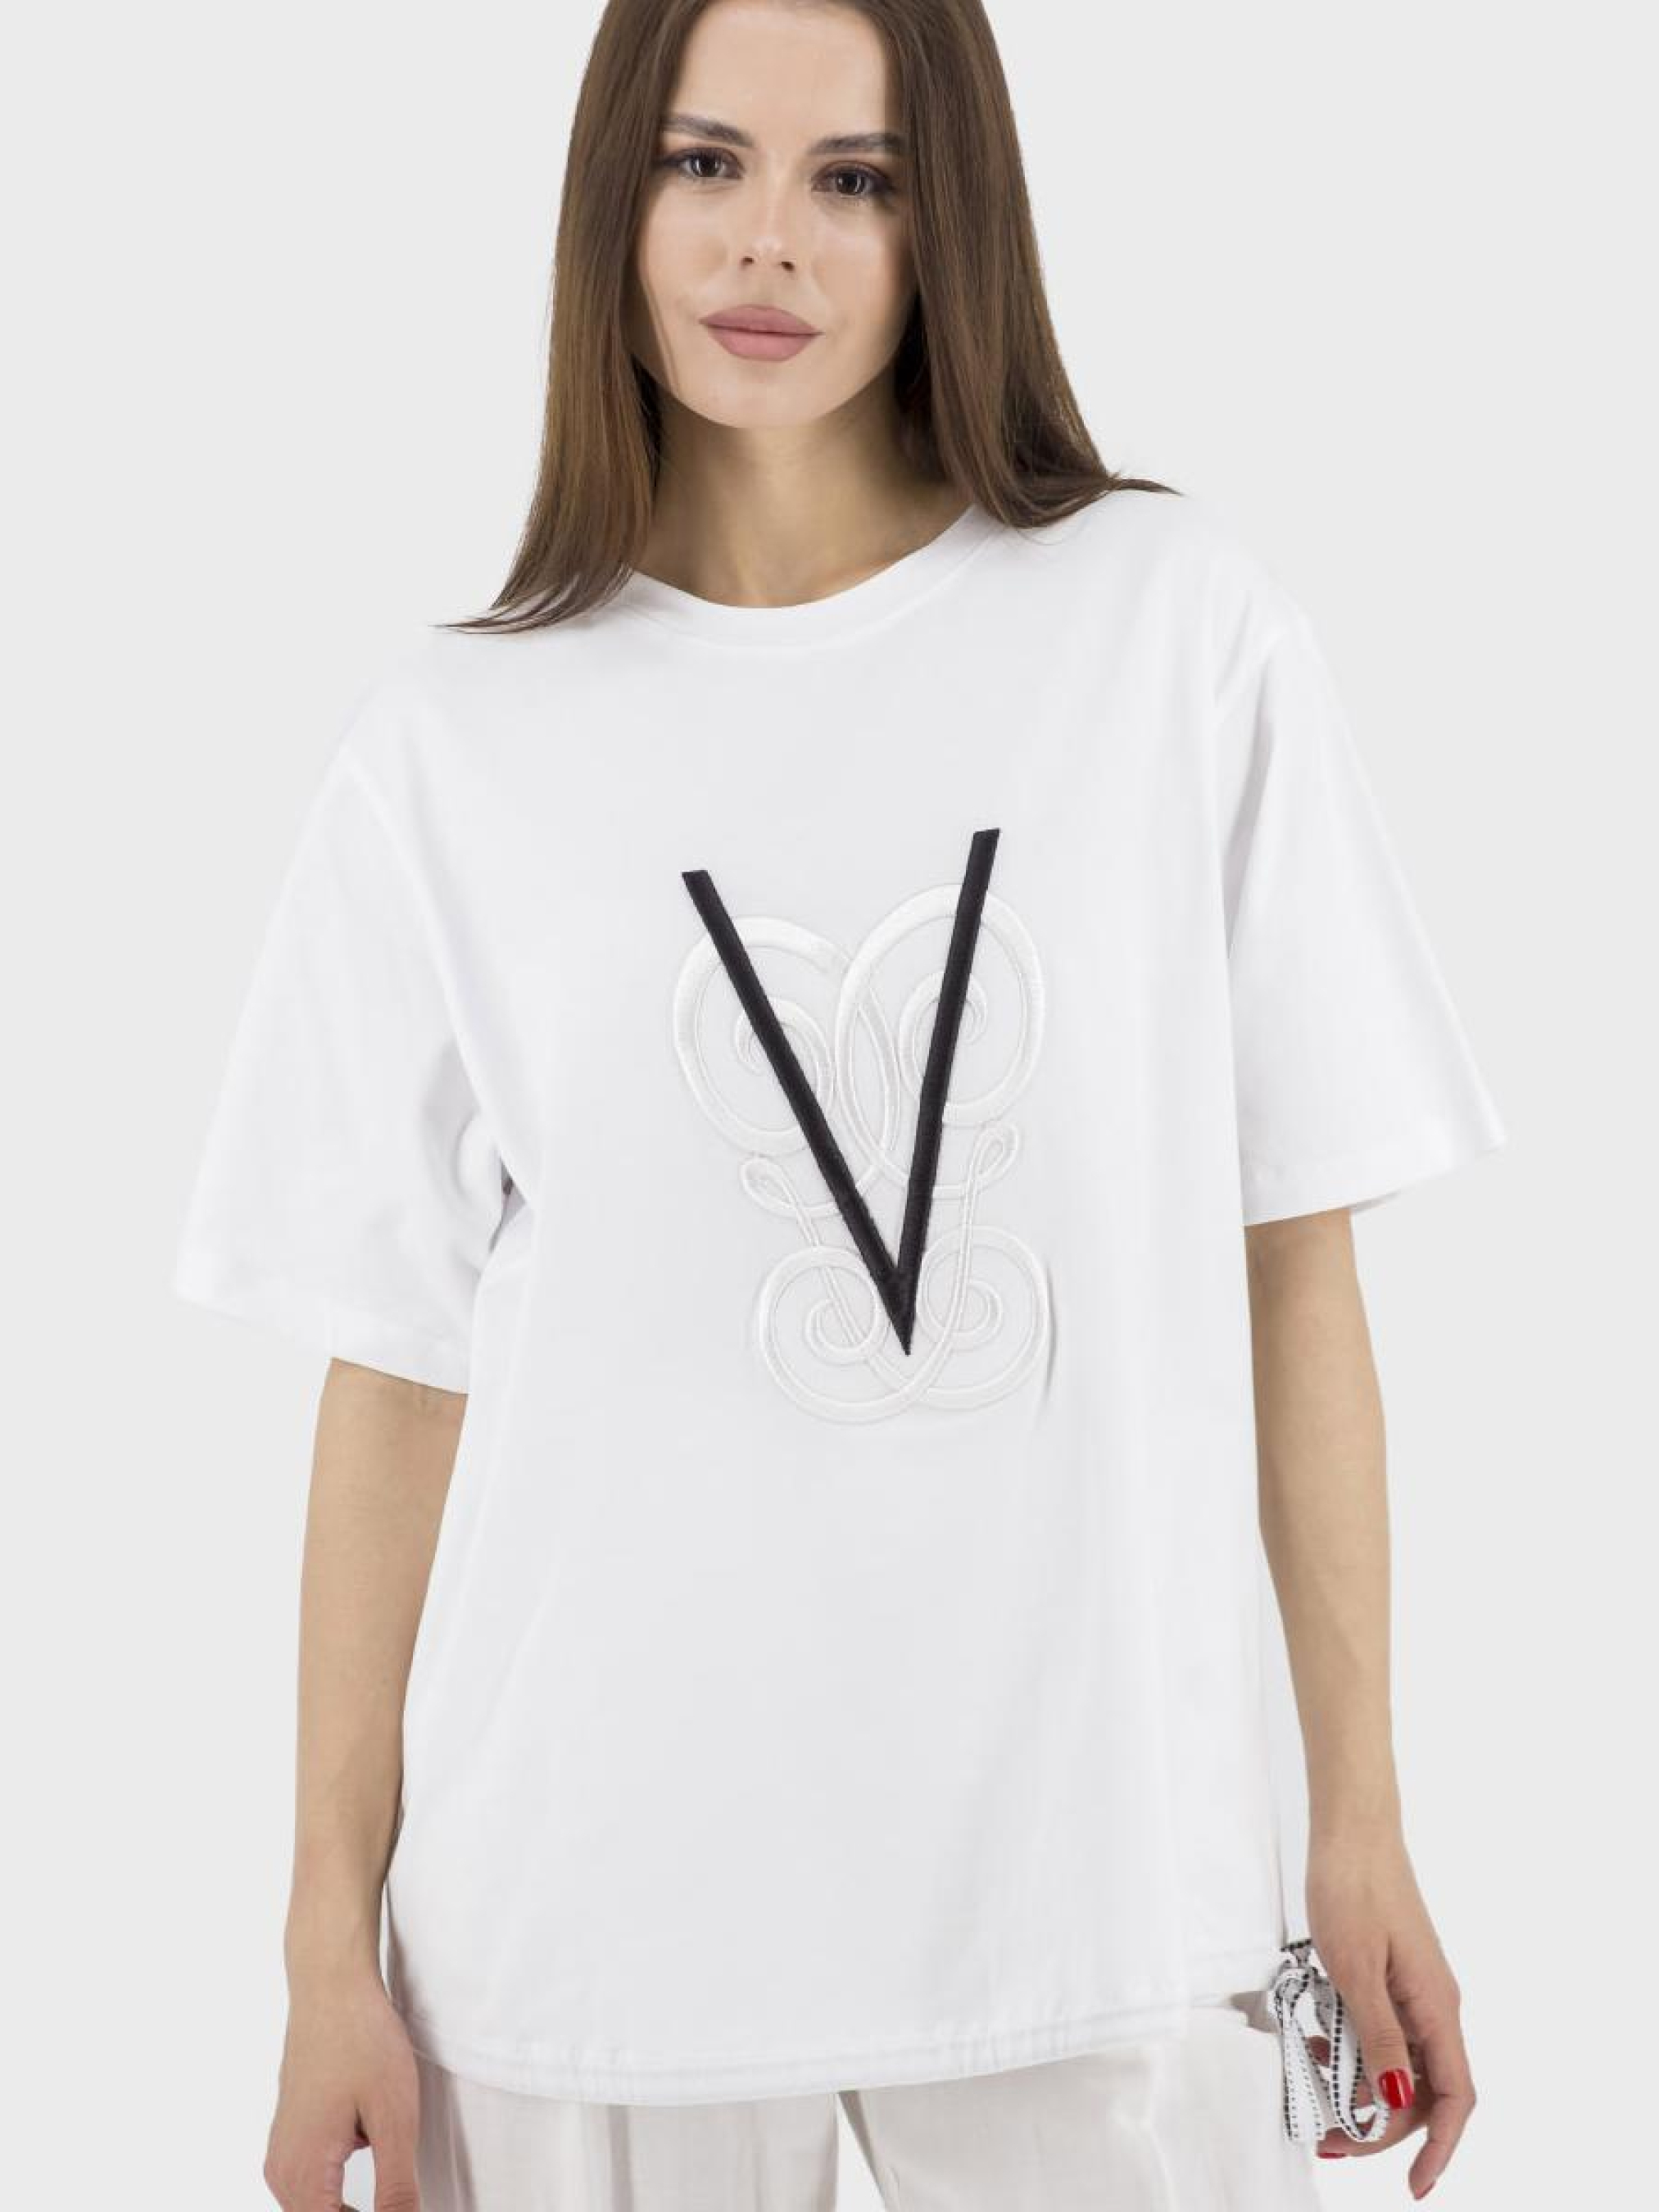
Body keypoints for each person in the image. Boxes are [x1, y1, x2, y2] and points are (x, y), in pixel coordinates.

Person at [170, 0, 1504, 2205]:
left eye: (852, 179)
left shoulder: (1169, 635)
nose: (765, 242)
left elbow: (1293, 1261)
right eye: (702, 163)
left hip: (1104, 1909)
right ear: (613, 204)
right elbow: (397, 1376)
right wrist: (327, 1941)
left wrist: (1357, 1817)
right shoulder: (453, 748)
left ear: (946, 221)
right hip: (589, 1939)